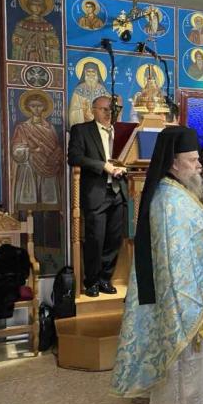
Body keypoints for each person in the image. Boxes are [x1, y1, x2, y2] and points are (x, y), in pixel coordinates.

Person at [111, 126, 203, 404]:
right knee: (187, 351)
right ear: (173, 163)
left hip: (199, 285)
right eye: (193, 160)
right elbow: (176, 256)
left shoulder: (178, 191)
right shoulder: (169, 200)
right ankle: (186, 401)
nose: (200, 166)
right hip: (186, 294)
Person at [67, 96, 127, 297]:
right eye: (104, 109)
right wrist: (103, 166)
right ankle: (91, 281)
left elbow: (129, 156)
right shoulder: (82, 130)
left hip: (119, 191)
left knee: (114, 240)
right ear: (93, 110)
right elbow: (74, 157)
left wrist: (125, 167)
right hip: (96, 193)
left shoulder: (122, 132)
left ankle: (105, 280)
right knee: (95, 239)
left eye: (112, 110)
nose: (108, 113)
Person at [10, 90, 64, 210]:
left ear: (44, 107)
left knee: (49, 204)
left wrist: (55, 156)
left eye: (39, 106)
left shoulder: (50, 128)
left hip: (49, 165)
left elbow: (57, 147)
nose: (36, 109)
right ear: (28, 107)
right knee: (28, 204)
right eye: (33, 106)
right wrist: (31, 150)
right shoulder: (22, 128)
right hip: (29, 166)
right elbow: (16, 150)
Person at [68, 61, 111, 126]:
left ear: (97, 73)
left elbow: (109, 105)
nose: (91, 74)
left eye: (93, 71)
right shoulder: (79, 89)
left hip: (99, 124)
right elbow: (73, 110)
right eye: (88, 71)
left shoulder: (101, 89)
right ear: (84, 73)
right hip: (84, 124)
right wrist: (83, 110)